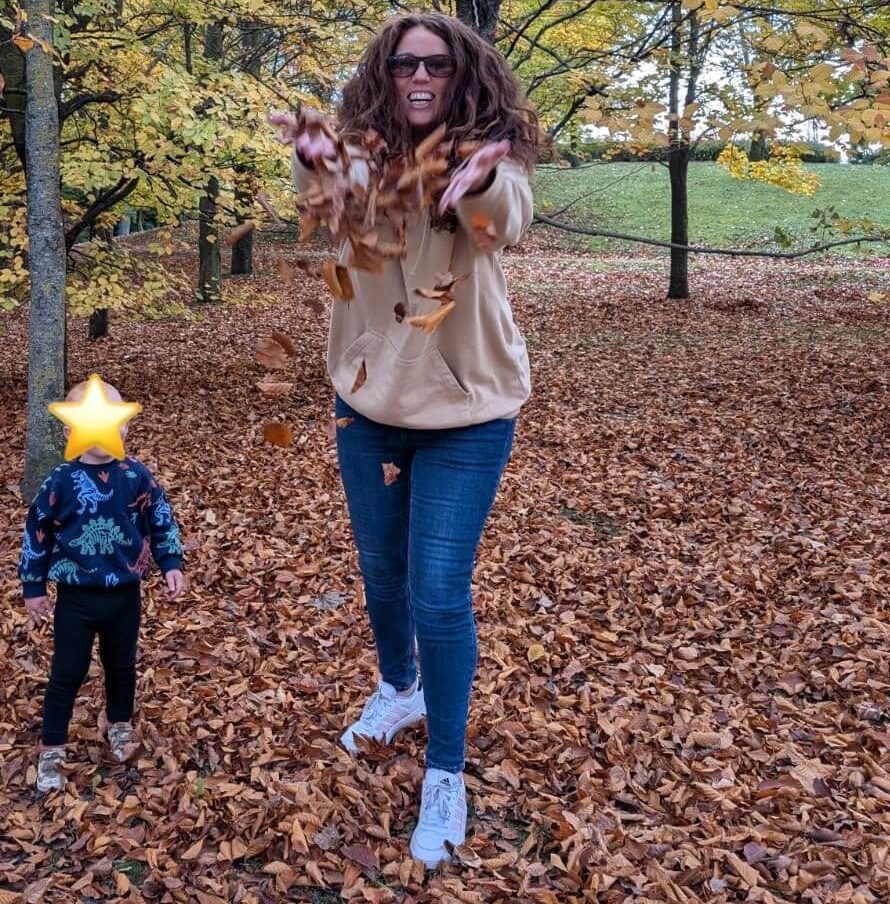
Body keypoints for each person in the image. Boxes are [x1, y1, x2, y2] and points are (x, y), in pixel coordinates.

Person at [271, 12, 542, 867]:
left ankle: (446, 772)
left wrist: (480, 187)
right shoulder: (363, 155)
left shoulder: (485, 158)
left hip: (467, 414)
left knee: (436, 591)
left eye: (435, 64)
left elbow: (509, 221)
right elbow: (326, 209)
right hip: (368, 404)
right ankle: (400, 685)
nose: (418, 76)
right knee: (381, 575)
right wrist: (313, 159)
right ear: (382, 76)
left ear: (462, 77)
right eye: (402, 64)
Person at [18, 378, 186, 793]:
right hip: (76, 597)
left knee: (121, 665)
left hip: (125, 595)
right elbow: (37, 532)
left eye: (118, 420)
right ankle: (52, 745)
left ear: (125, 426)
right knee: (67, 671)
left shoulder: (135, 476)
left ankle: (120, 724)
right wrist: (33, 587)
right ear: (70, 429)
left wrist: (170, 563)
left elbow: (160, 518)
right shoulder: (60, 482)